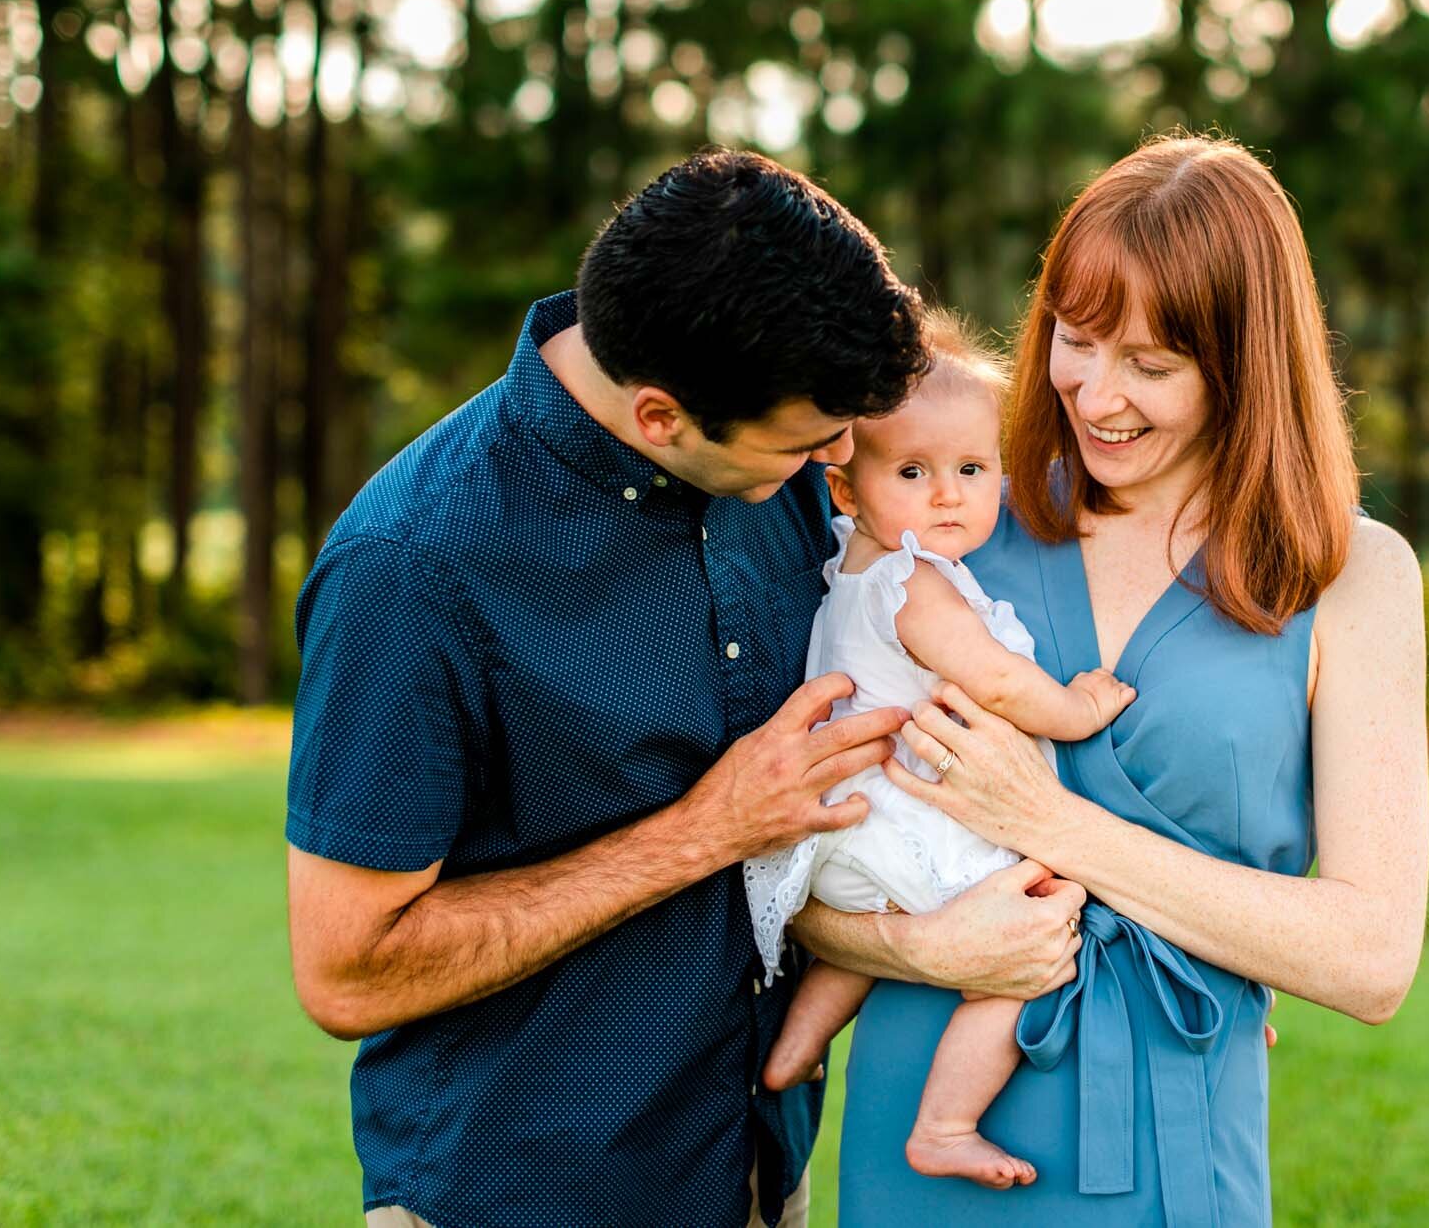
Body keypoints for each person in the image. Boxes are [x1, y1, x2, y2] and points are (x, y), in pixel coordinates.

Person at [283, 148, 1076, 1228]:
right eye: (809, 441)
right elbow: (347, 971)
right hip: (525, 1193)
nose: (839, 460)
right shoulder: (413, 566)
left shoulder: (771, 462)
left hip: (756, 1170)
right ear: (660, 418)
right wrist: (703, 829)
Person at [798, 133, 1429, 1225]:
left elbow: (1371, 958)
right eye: (1075, 341)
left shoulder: (1350, 573)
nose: (1096, 396)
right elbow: (789, 857)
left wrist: (1053, 826)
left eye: (1150, 364)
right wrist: (911, 942)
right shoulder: (948, 520)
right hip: (927, 1115)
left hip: (1175, 1130)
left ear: (1244, 361)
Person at [743, 313, 1137, 1192]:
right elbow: (992, 680)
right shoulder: (909, 579)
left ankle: (794, 1050)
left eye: (971, 469)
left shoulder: (852, 562)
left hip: (850, 838)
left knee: (857, 944)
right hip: (903, 818)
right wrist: (1073, 709)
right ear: (847, 491)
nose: (949, 495)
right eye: (914, 473)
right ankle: (946, 1123)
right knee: (1023, 944)